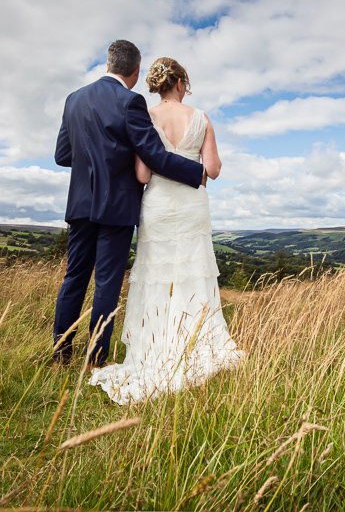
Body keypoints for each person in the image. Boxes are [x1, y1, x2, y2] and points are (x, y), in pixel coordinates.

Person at [89, 57, 243, 404]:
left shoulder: (146, 118)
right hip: (191, 204)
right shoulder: (201, 118)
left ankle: (156, 347)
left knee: (157, 274)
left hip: (157, 205)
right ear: (180, 83)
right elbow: (214, 170)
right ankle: (196, 343)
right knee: (193, 271)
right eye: (186, 85)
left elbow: (143, 176)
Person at [53, 41, 205, 367]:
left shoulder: (74, 99)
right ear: (135, 71)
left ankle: (60, 355)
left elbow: (62, 155)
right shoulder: (130, 101)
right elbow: (154, 156)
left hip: (80, 204)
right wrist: (198, 172)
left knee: (75, 278)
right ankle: (95, 359)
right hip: (117, 206)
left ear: (109, 63)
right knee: (106, 282)